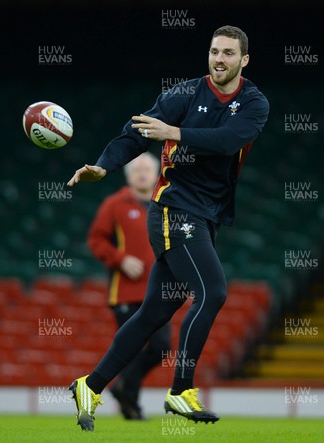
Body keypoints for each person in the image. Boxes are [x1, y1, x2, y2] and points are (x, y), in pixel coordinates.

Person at [67, 25, 269, 431]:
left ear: (244, 60)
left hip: (205, 216)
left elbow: (228, 141)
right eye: (214, 51)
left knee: (153, 314)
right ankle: (181, 390)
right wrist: (103, 166)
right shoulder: (184, 93)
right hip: (173, 210)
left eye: (228, 53)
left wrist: (173, 133)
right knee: (213, 293)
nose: (219, 59)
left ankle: (90, 385)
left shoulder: (254, 102)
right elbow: (137, 131)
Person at [87, 152, 168, 420]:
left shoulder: (167, 203)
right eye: (137, 170)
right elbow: (96, 241)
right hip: (125, 291)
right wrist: (121, 260)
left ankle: (123, 388)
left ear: (157, 173)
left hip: (158, 292)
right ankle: (130, 406)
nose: (142, 174)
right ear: (128, 175)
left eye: (147, 169)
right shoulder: (115, 204)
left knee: (161, 347)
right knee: (130, 349)